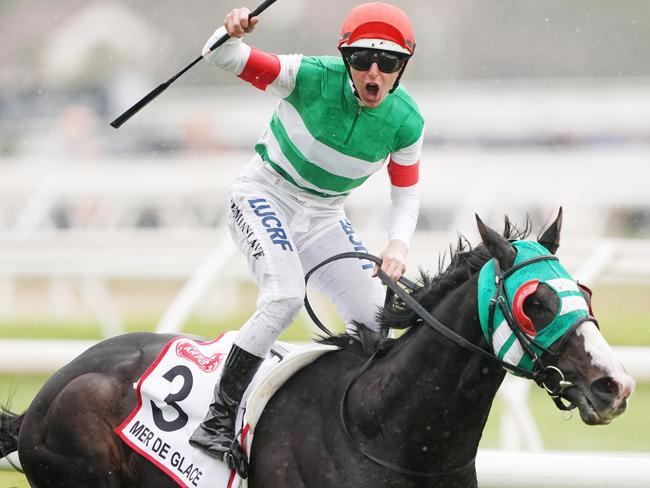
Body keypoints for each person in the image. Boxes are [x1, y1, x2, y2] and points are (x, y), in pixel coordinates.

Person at [189, 1, 424, 478]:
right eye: (360, 60)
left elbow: (407, 196)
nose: (372, 73)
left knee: (377, 323)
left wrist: (397, 246)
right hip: (264, 195)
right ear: (344, 58)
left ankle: (348, 427)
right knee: (284, 297)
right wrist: (231, 32)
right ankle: (217, 419)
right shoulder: (309, 75)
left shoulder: (407, 122)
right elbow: (221, 57)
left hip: (323, 215)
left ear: (403, 66)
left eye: (388, 63)